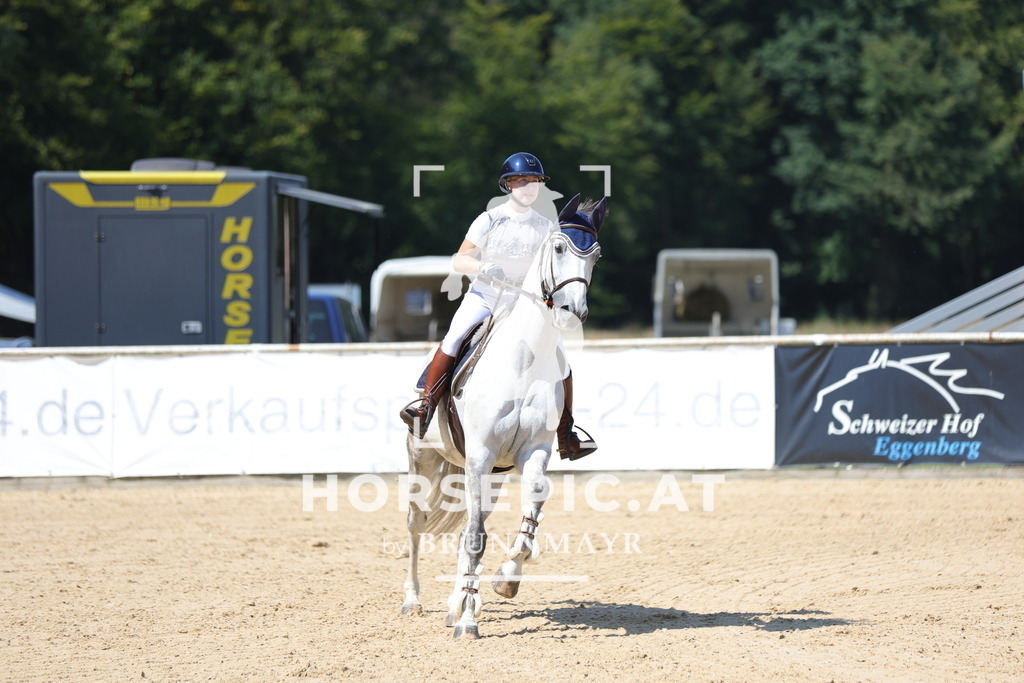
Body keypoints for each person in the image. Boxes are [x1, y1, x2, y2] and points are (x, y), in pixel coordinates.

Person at [400, 152, 598, 460]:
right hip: (486, 297)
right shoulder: (489, 219)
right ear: (507, 185)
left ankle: (566, 432)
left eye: (533, 181)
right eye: (520, 181)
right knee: (455, 336)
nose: (528, 186)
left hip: (526, 304)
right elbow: (459, 258)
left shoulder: (547, 226)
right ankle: (424, 406)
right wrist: (482, 268)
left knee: (561, 359)